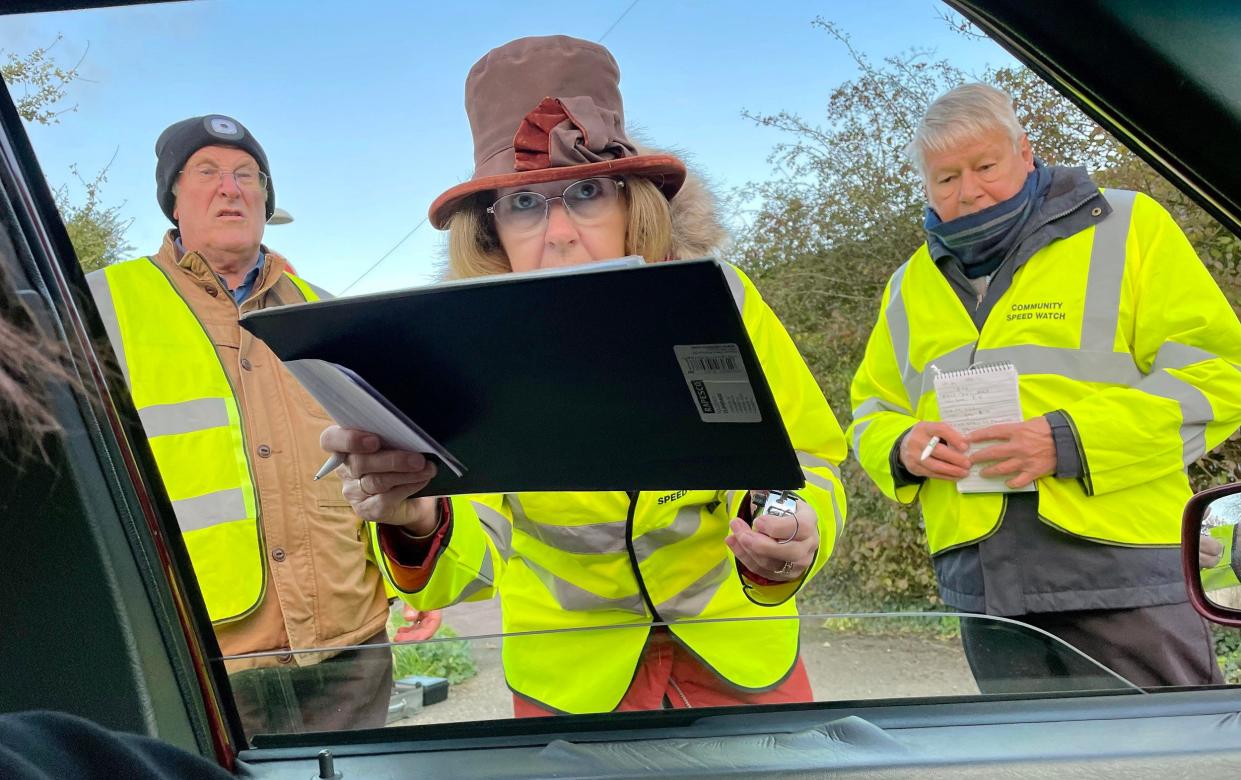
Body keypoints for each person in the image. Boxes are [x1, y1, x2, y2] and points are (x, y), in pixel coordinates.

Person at [320, 35, 849, 716]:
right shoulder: (459, 349)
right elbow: (472, 559)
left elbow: (810, 458)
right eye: (525, 204)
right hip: (569, 688)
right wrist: (417, 517)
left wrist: (797, 528)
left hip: (742, 661)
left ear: (633, 202)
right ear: (491, 231)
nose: (561, 232)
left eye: (587, 192)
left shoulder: (727, 299)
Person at [848, 83, 1241, 691]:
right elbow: (871, 408)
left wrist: (1069, 440)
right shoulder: (908, 283)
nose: (969, 190)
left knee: (1167, 758)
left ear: (1025, 153)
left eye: (984, 166)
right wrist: (902, 447)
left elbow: (1220, 374)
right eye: (946, 178)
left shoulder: (1128, 226)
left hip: (1121, 565)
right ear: (926, 186)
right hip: (981, 580)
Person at [85, 114, 439, 735]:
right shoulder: (94, 308)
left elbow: (389, 471)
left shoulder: (332, 316)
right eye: (208, 172)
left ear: (266, 199)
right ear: (173, 197)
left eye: (248, 174)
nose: (232, 187)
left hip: (349, 655)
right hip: (197, 661)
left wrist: (408, 583)